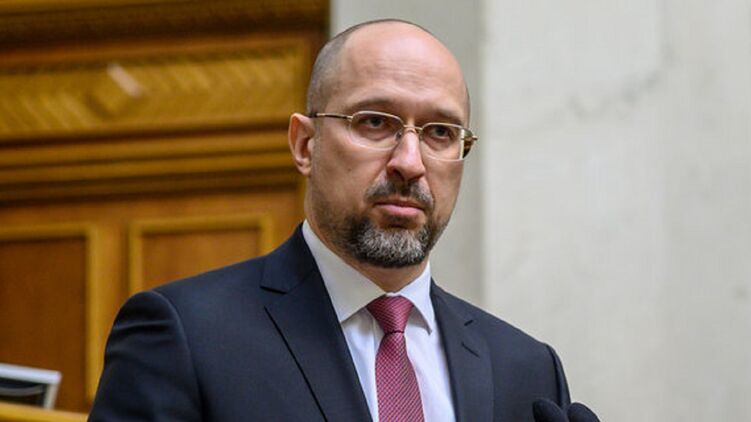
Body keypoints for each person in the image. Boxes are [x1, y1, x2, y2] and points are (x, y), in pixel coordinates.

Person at [90, 19, 598, 422]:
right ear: (305, 145)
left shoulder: (525, 369)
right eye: (374, 122)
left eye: (440, 132)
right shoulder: (187, 336)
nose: (410, 162)